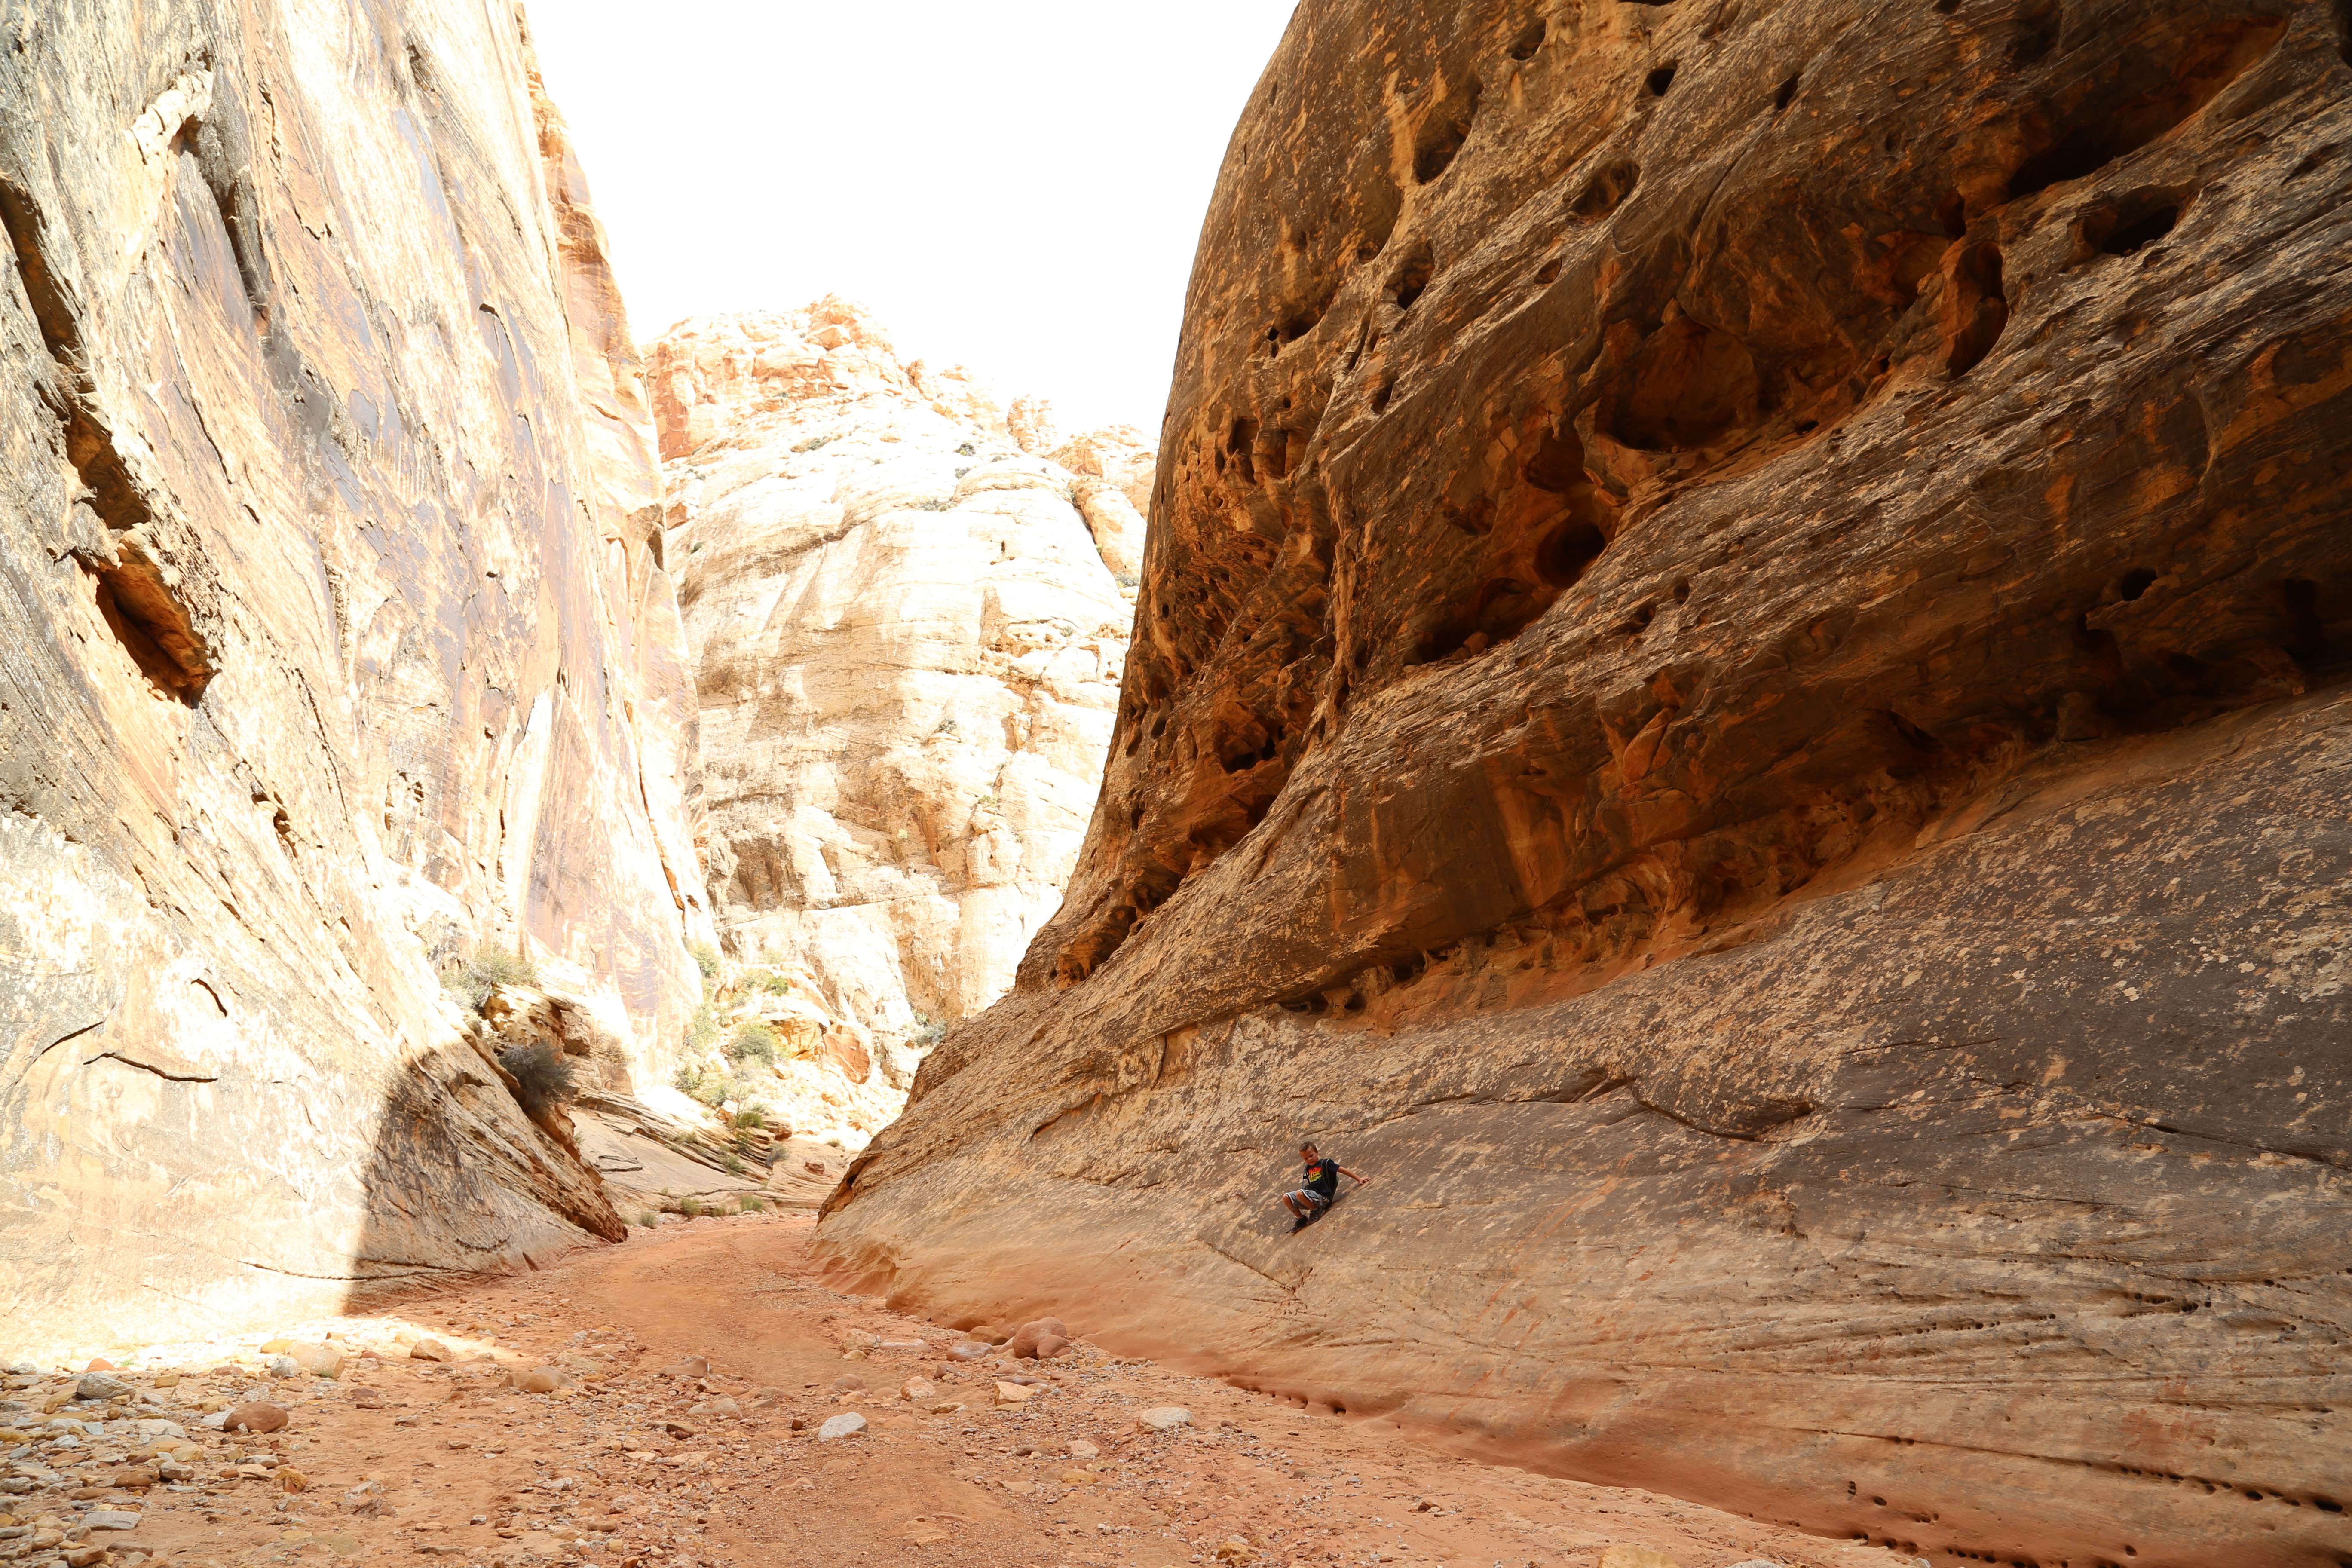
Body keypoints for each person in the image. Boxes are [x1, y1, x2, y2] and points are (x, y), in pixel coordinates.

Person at [1281, 1141, 1369, 1231]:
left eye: (1311, 1156)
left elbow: (1342, 1170)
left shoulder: (1326, 1163)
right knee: (1286, 1197)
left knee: (1300, 1194)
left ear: (1317, 1152)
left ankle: (1316, 1211)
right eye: (1306, 1158)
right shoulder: (1308, 1168)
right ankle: (1301, 1218)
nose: (1310, 1159)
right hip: (1313, 1197)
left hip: (1323, 1197)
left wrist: (1359, 1179)